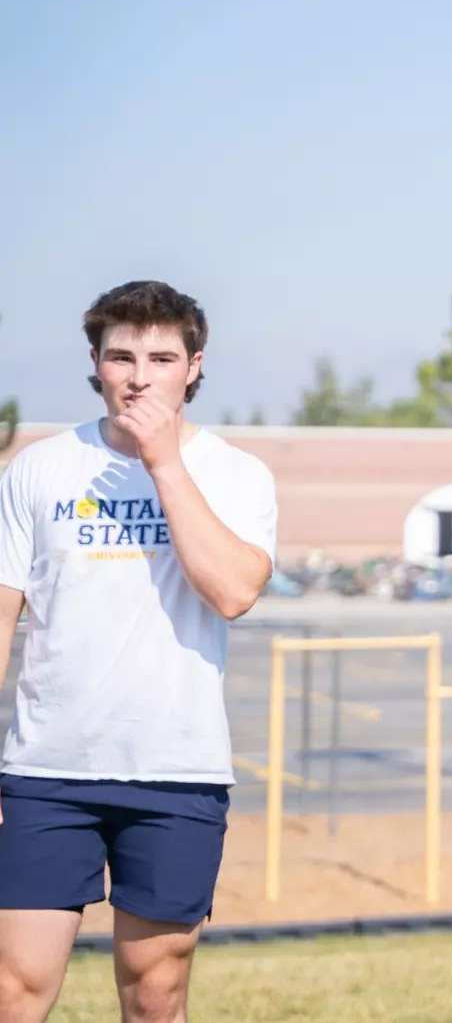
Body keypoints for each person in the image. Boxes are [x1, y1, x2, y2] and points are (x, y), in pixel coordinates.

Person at [0, 282, 278, 1023]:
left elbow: (234, 592)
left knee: (154, 995)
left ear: (193, 366)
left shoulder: (237, 474)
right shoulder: (38, 468)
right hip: (45, 771)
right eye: (121, 355)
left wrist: (162, 464)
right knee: (13, 989)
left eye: (161, 356)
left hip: (174, 770)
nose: (140, 374)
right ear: (96, 362)